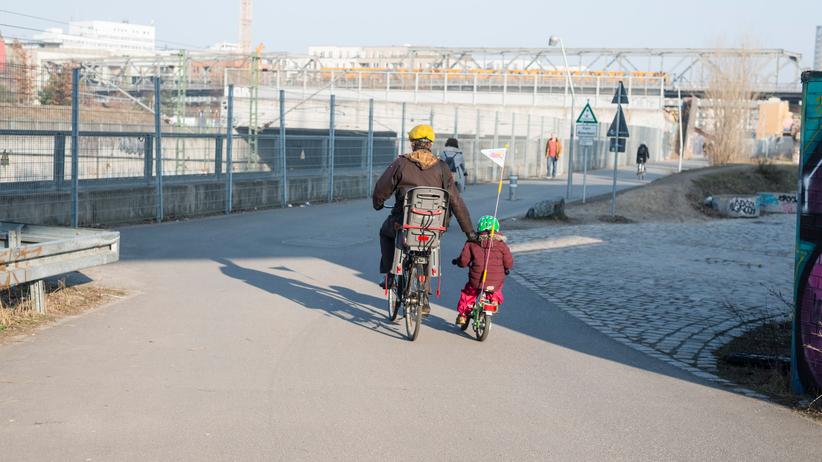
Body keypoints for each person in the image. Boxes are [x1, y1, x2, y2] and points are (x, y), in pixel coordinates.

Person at [373, 124, 476, 302]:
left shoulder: (401, 163)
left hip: (403, 221)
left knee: (385, 232)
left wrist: (378, 203)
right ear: (430, 144)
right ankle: (424, 294)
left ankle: (390, 274)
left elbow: (382, 187)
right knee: (428, 247)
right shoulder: (442, 168)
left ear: (413, 143)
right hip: (434, 224)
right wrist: (469, 232)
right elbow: (455, 200)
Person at [451, 215, 513, 326]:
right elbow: (509, 263)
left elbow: (464, 261)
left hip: (477, 279)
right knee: (495, 289)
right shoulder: (502, 245)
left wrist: (459, 263)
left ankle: (463, 315)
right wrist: (507, 269)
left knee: (469, 292)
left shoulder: (472, 243)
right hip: (496, 280)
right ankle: (493, 300)